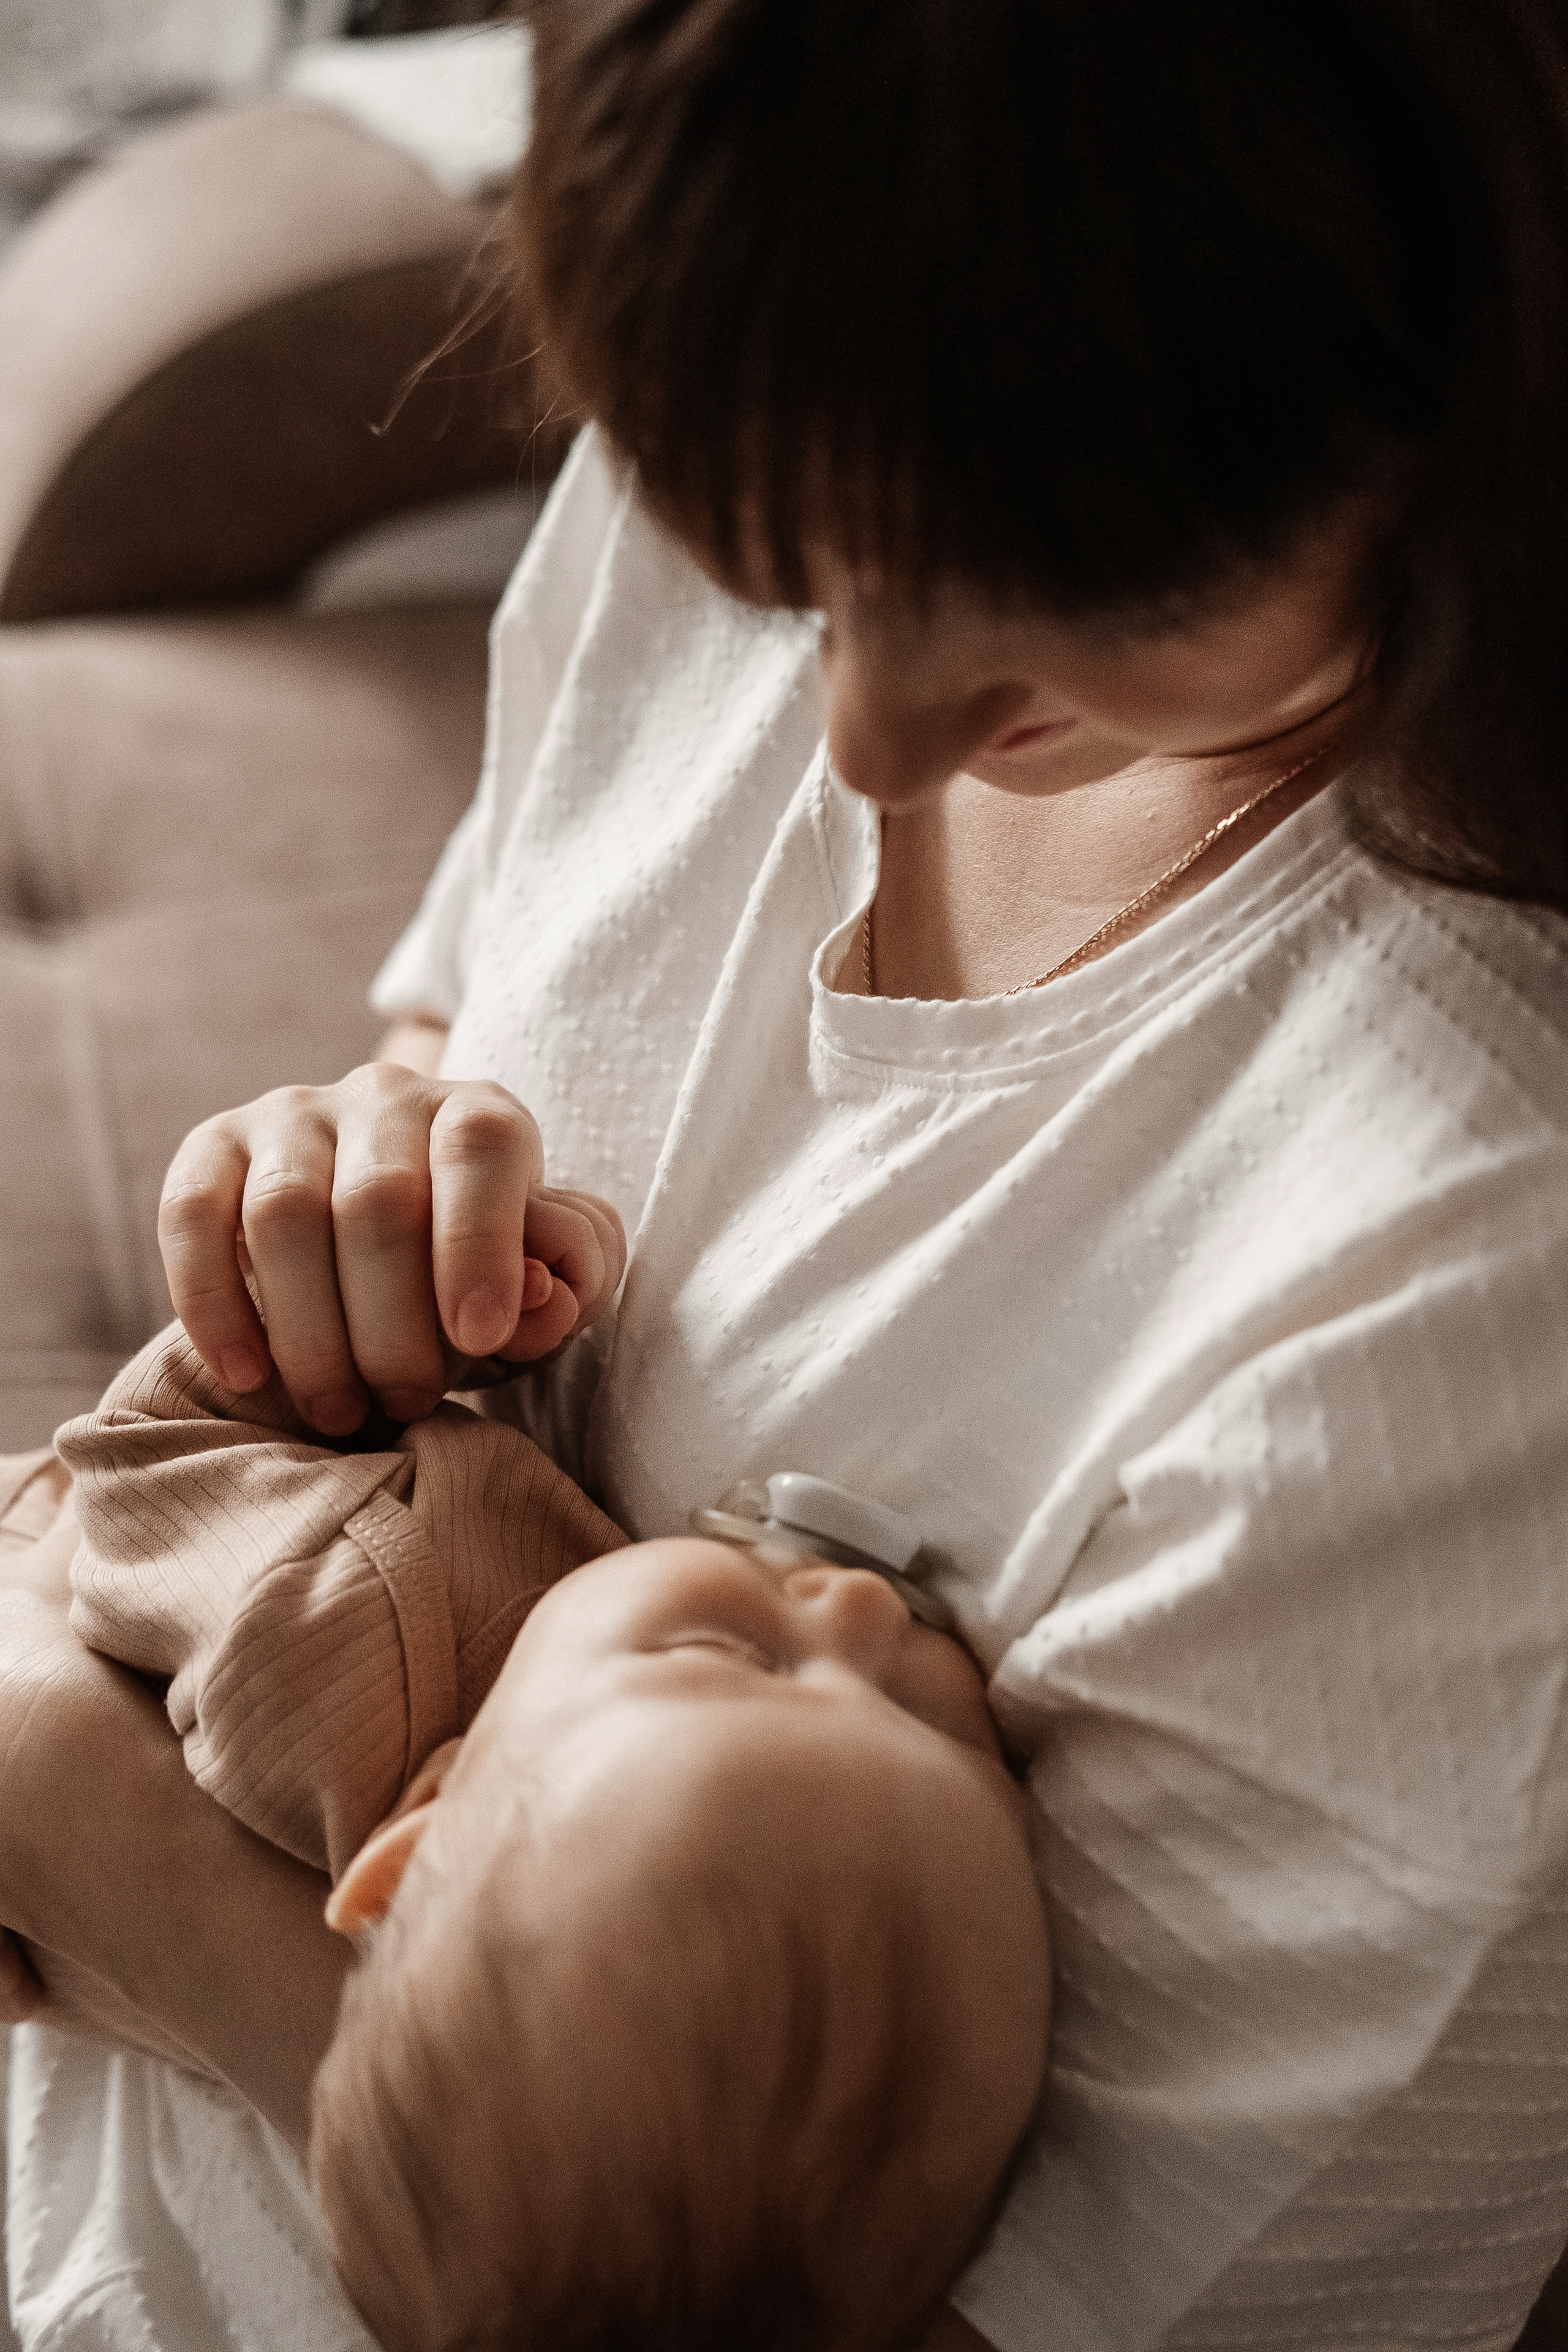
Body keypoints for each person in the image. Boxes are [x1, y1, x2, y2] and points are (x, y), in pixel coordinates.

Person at [1, 2, 1567, 2347]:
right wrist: (378, 1154)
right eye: (791, 568)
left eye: (1059, 602)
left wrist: (109, 1853)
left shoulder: (1459, 1314)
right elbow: (494, 999)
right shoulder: (818, 320)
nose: (860, 733)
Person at [0, 1322, 1049, 2352]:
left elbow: (141, 1455)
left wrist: (369, 1342)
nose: (863, 1606)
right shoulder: (520, 2012)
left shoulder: (351, 1640)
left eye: (729, 1655)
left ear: (422, 1828)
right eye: (938, 1735)